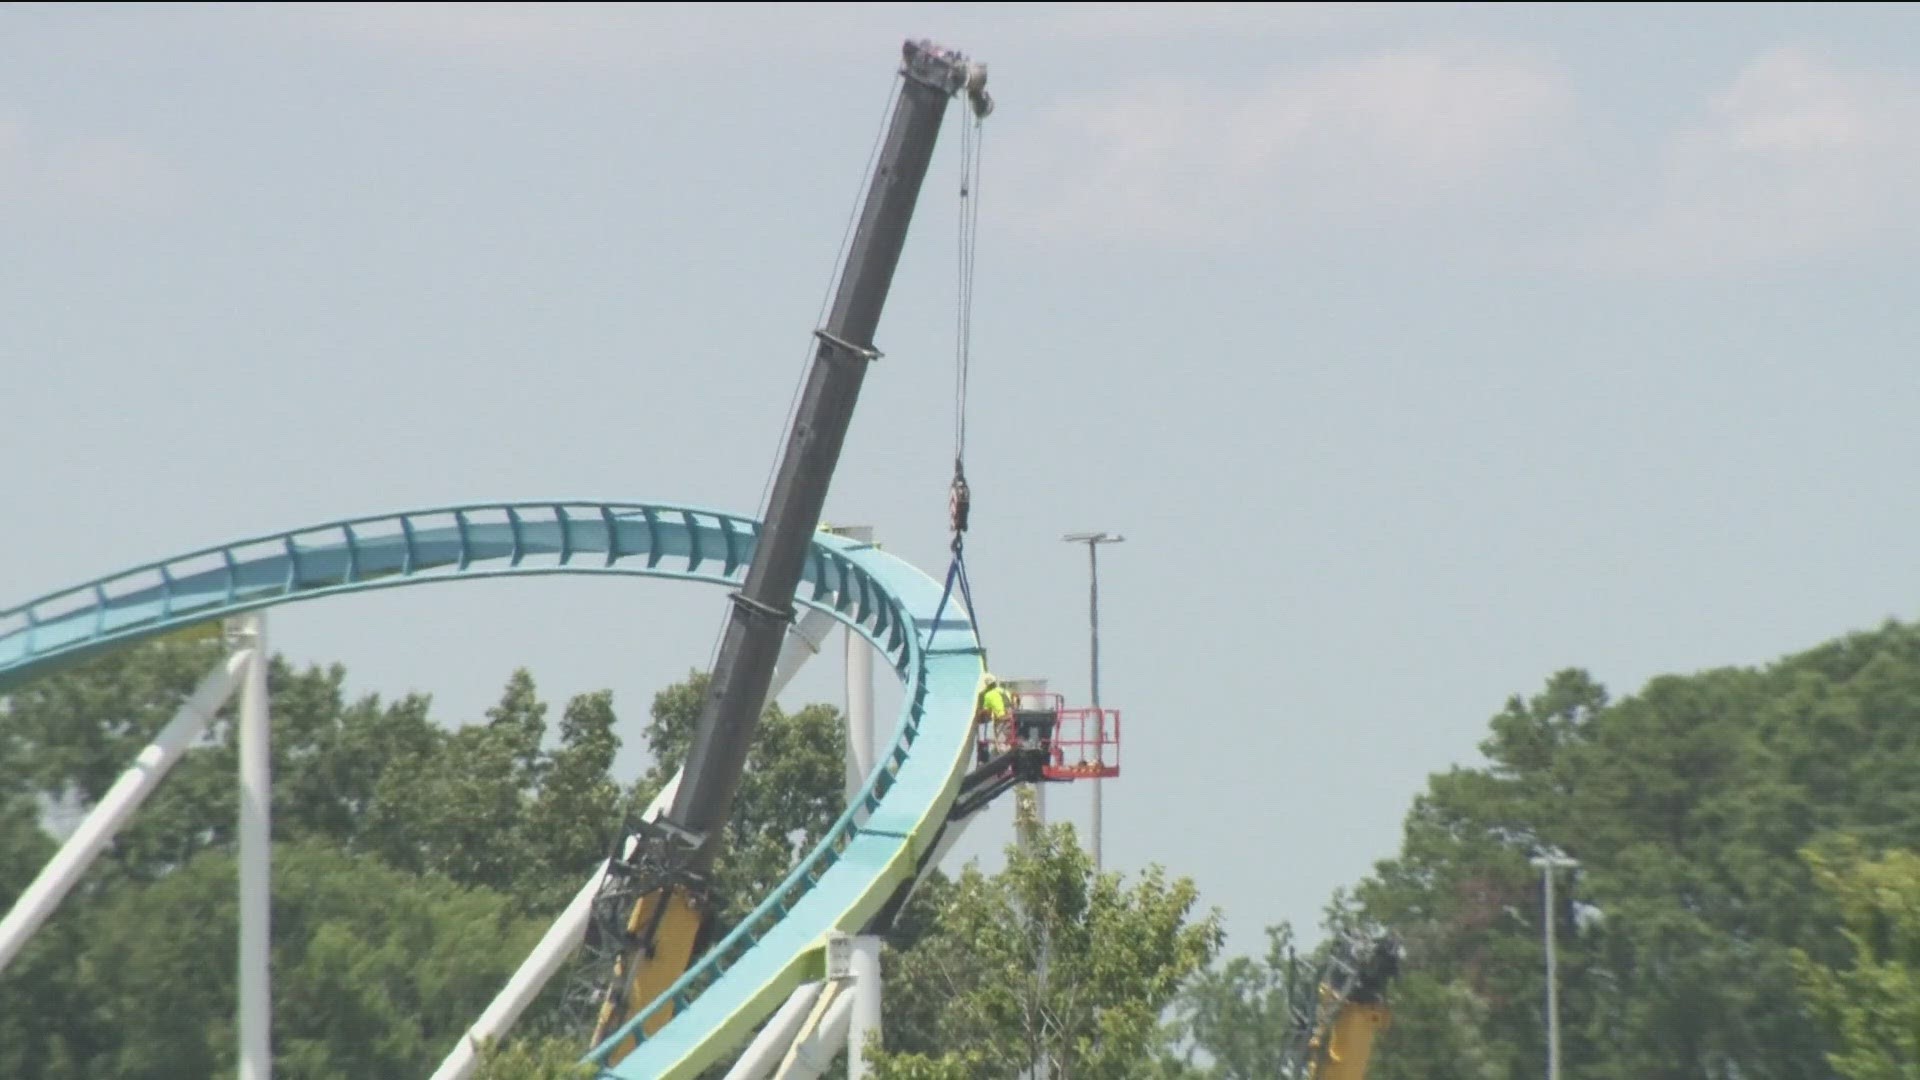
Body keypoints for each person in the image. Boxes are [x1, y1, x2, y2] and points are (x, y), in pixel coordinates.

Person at [976, 673, 1015, 754]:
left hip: (1001, 721)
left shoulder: (988, 695)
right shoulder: (1005, 691)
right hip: (1012, 719)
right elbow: (1013, 703)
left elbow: (986, 711)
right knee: (1009, 742)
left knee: (1001, 746)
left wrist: (978, 717)